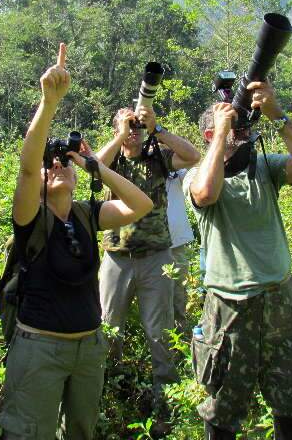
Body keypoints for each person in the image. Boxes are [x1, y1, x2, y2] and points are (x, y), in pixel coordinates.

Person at [0, 43, 153, 440]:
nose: (57, 166)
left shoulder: (87, 213)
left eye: (61, 162)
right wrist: (48, 103)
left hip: (88, 347)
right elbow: (28, 165)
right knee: (32, 433)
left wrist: (92, 165)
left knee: (82, 432)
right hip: (40, 349)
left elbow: (141, 203)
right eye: (51, 165)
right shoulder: (31, 218)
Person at [185, 81, 292, 439]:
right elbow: (205, 193)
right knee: (224, 409)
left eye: (245, 126)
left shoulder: (264, 167)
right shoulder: (195, 176)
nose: (243, 132)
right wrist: (222, 133)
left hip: (281, 301)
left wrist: (276, 114)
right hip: (230, 307)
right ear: (210, 133)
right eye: (235, 128)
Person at [96, 106, 200, 412]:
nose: (134, 129)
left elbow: (193, 156)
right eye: (128, 124)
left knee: (160, 333)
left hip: (157, 257)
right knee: (109, 327)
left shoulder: (159, 158)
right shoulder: (112, 162)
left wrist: (158, 130)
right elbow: (93, 165)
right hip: (117, 258)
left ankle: (164, 403)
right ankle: (113, 395)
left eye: (137, 125)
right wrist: (119, 136)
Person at [166, 168, 195, 336]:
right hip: (151, 245)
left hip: (176, 243)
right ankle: (164, 338)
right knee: (158, 296)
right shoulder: (144, 163)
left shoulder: (177, 170)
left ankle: (181, 337)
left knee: (179, 294)